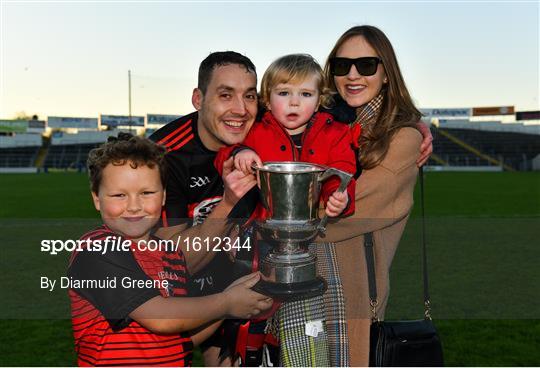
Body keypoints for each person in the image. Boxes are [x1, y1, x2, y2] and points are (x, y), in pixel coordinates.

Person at [67, 133, 273, 366]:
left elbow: (182, 337)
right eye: (119, 195)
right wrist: (226, 302)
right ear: (97, 199)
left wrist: (236, 301)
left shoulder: (171, 255)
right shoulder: (97, 249)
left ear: (164, 195)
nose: (134, 206)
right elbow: (161, 317)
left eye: (146, 193)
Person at [214, 53, 357, 367]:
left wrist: (339, 197)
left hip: (310, 244)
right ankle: (250, 351)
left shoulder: (335, 133)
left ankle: (302, 356)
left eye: (305, 95)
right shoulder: (254, 131)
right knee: (253, 309)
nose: (294, 103)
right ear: (267, 97)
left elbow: (344, 169)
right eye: (284, 94)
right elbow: (224, 149)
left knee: (306, 315)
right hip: (257, 240)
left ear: (320, 100)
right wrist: (240, 152)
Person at [313, 25, 428, 366]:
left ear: (386, 73)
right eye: (341, 65)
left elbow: (338, 215)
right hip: (297, 289)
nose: (352, 75)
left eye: (365, 65)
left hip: (349, 301)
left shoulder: (403, 138)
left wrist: (275, 211)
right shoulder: (320, 126)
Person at [149, 51, 261, 366]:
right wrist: (228, 204)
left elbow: (326, 112)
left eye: (249, 96)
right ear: (198, 98)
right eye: (226, 95)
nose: (240, 110)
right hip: (187, 296)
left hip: (252, 280)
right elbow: (175, 262)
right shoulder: (165, 156)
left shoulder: (267, 128)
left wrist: (413, 125)